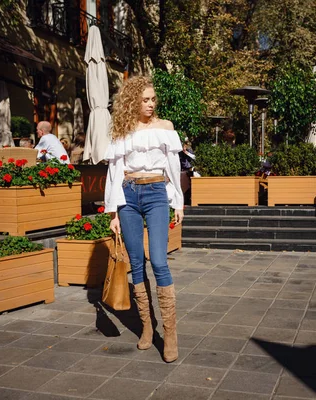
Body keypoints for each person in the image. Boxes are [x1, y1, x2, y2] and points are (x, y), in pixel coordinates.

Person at [104, 76, 184, 363]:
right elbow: (114, 171)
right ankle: (147, 328)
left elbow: (174, 167)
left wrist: (178, 201)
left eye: (153, 99)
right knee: (136, 262)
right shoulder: (123, 130)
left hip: (156, 194)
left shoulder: (165, 128)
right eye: (145, 100)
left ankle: (170, 334)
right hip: (128, 195)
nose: (150, 104)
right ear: (131, 102)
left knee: (159, 261)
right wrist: (113, 211)